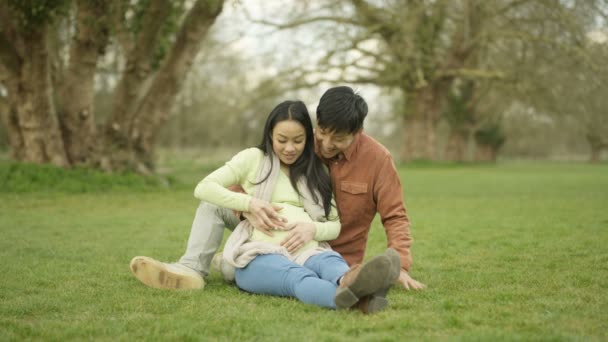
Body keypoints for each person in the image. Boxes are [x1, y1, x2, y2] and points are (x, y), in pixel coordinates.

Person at [130, 100, 400, 312]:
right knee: (298, 278)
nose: (290, 148)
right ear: (270, 134)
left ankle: (354, 284)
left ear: (309, 139)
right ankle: (358, 301)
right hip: (262, 252)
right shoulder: (253, 159)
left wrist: (311, 230)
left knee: (331, 264)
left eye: (298, 140)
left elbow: (334, 224)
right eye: (282, 140)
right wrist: (249, 204)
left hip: (309, 249)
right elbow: (204, 188)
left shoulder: (316, 172)